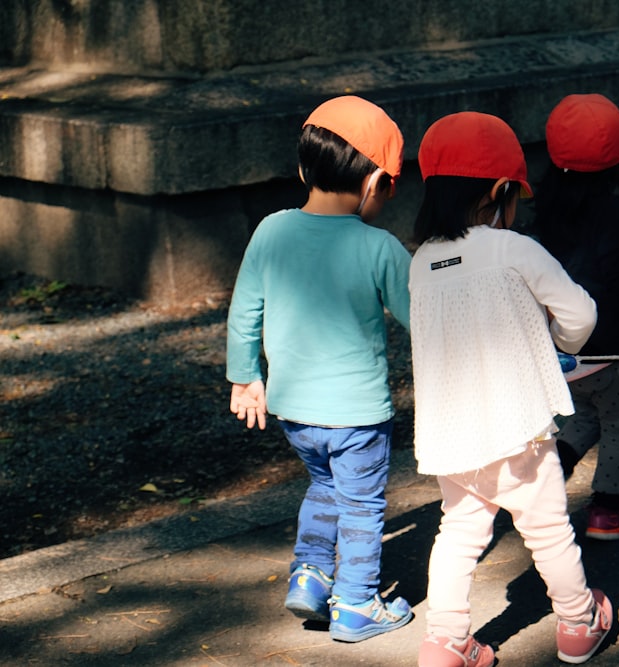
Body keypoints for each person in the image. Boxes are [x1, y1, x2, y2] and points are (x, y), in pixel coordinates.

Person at [409, 111, 613, 666]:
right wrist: (556, 339)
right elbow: (581, 313)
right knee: (547, 527)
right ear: (501, 191)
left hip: (452, 432)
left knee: (458, 534)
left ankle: (444, 644)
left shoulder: (423, 262)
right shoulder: (513, 248)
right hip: (515, 422)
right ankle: (577, 622)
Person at [225, 95, 414, 642]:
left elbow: (246, 310)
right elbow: (424, 319)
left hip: (294, 412)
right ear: (377, 184)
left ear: (304, 168)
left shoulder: (271, 229)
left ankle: (309, 574)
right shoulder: (379, 247)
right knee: (361, 506)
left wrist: (246, 376)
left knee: (323, 487)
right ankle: (356, 604)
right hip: (356, 415)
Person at [531, 93, 619, 540]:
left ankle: (545, 481)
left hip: (561, 347)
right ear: (617, 160)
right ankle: (609, 507)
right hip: (609, 348)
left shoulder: (545, 207)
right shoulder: (612, 211)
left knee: (588, 414)